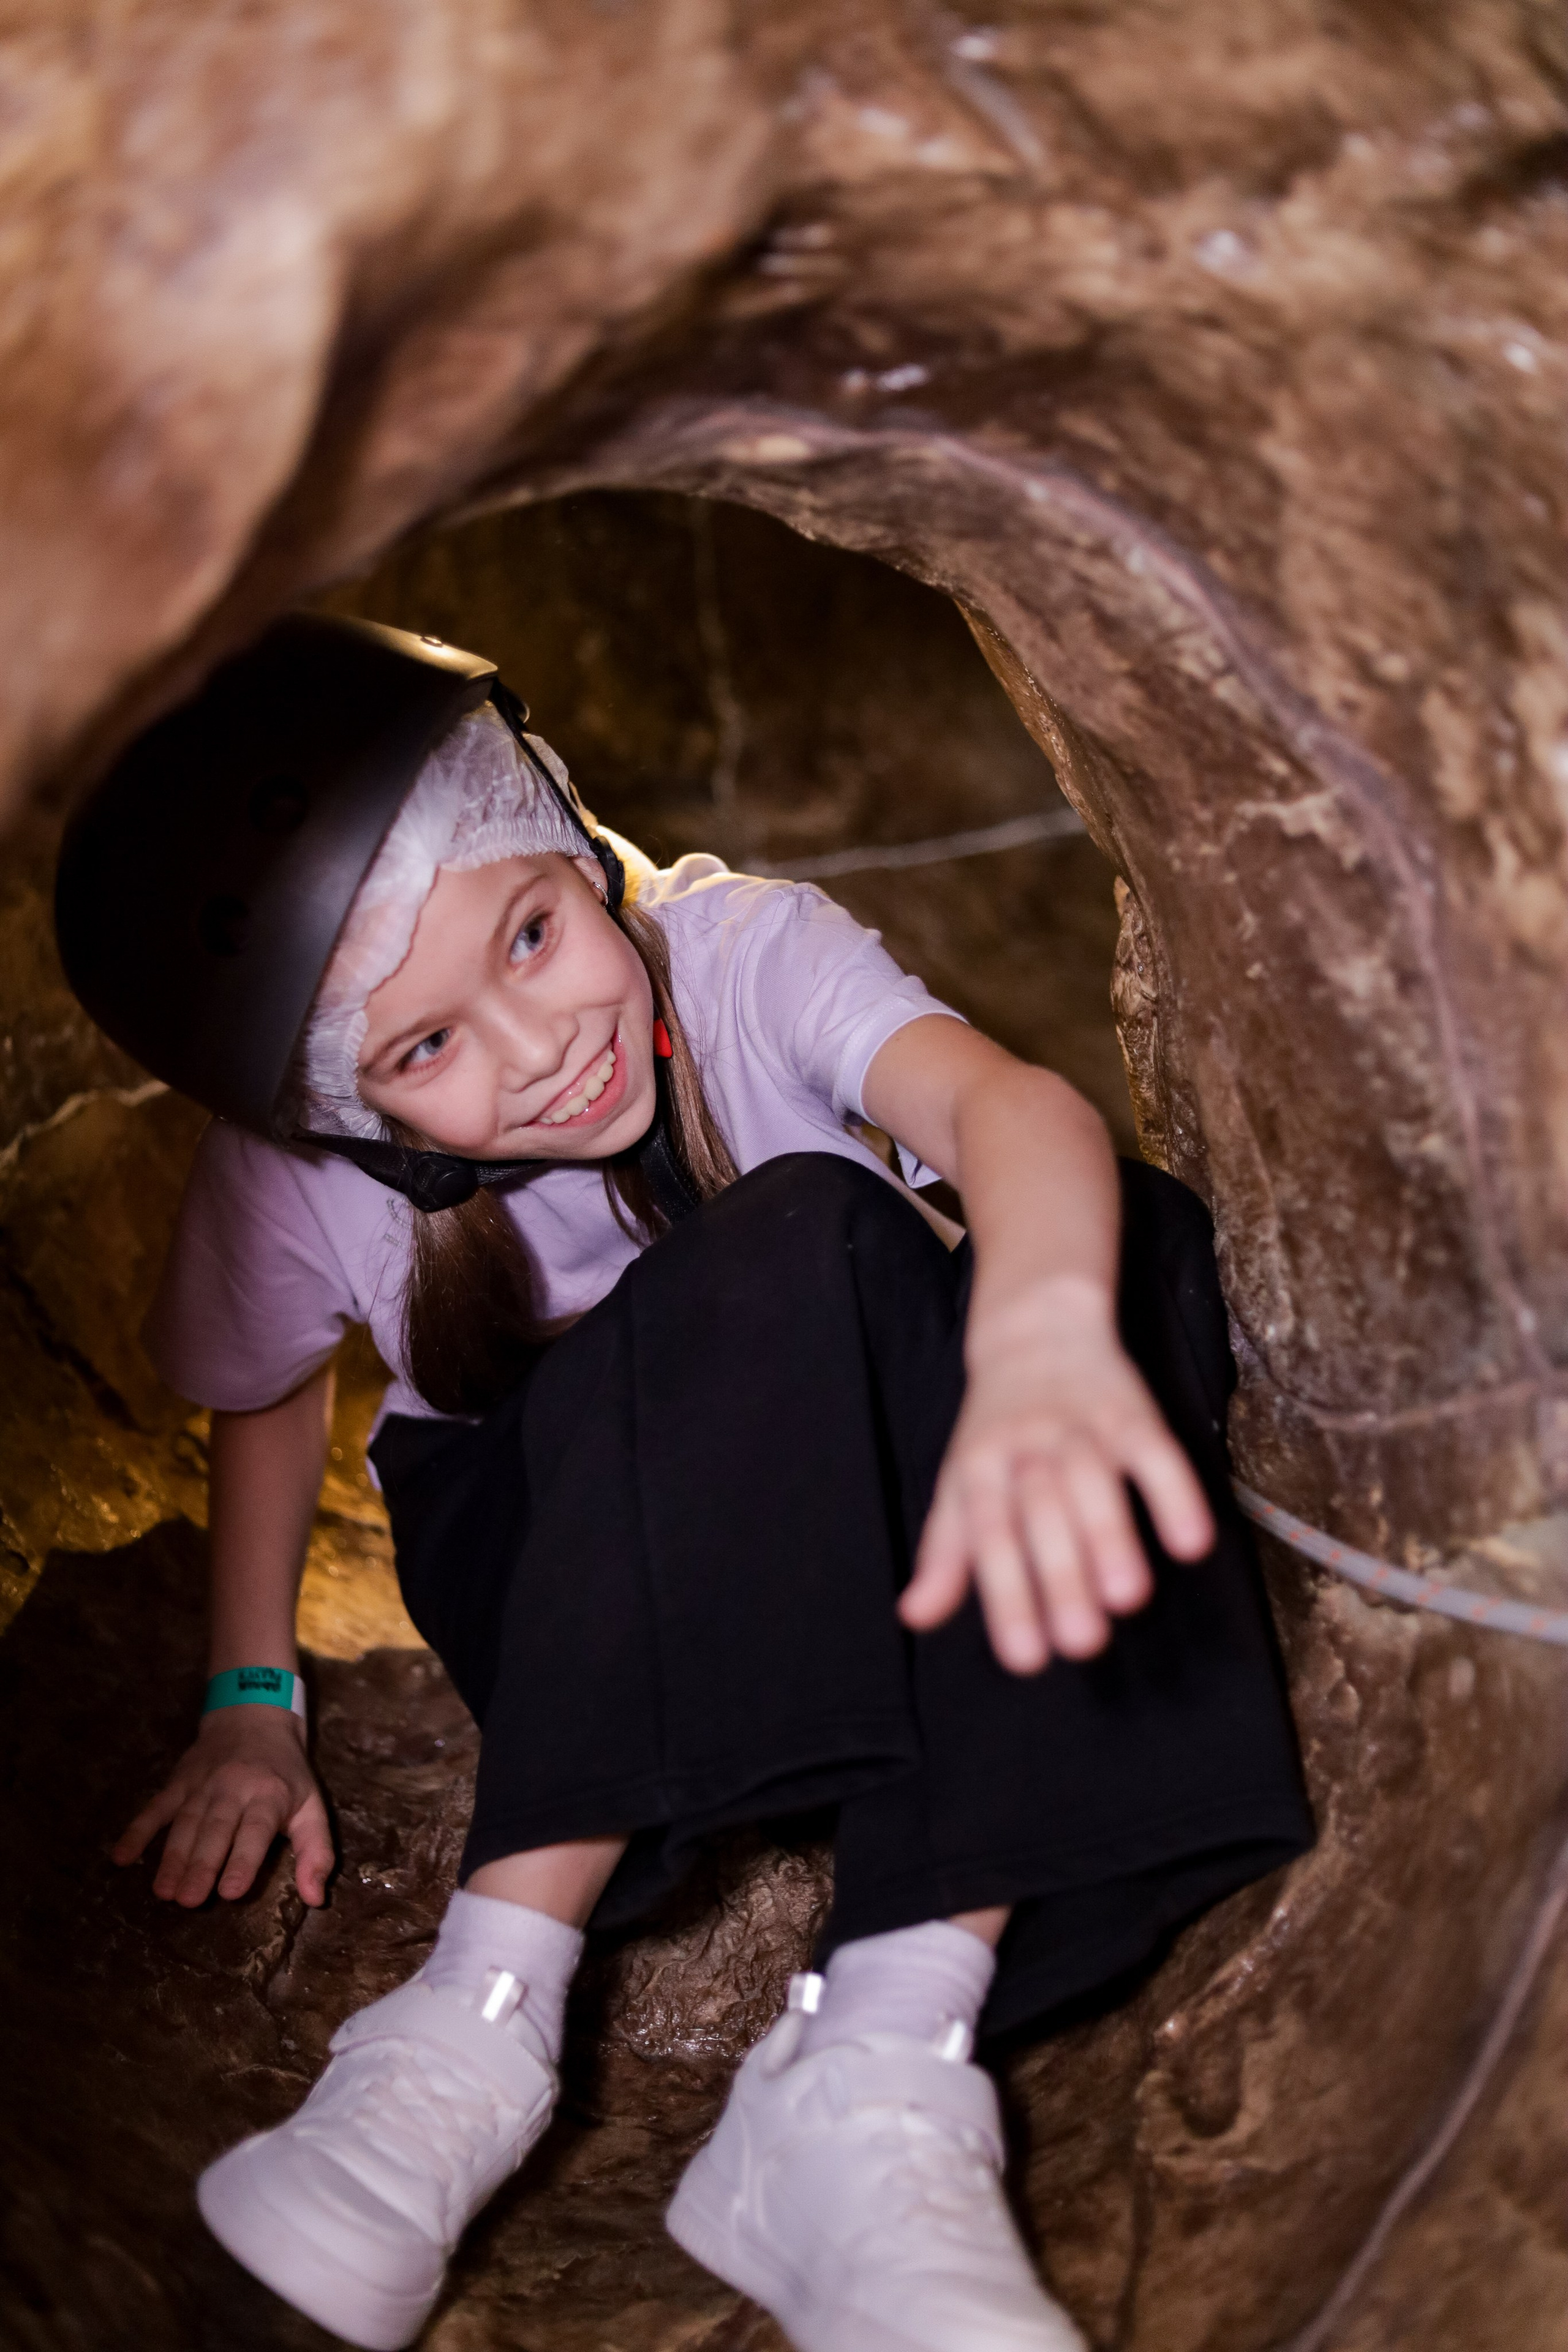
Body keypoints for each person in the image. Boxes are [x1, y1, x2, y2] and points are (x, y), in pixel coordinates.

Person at [59, 614, 1312, 2352]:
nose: (542, 1038)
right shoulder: (295, 1185)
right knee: (790, 1238)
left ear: (574, 837)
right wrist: (251, 1698)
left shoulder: (736, 954)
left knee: (1124, 1244)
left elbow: (1012, 1111)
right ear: (348, 1113)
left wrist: (1033, 1343)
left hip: (908, 1590)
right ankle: (471, 2031)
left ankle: (879, 2058)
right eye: (426, 1049)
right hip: (574, 1596)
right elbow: (263, 1400)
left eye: (532, 930)